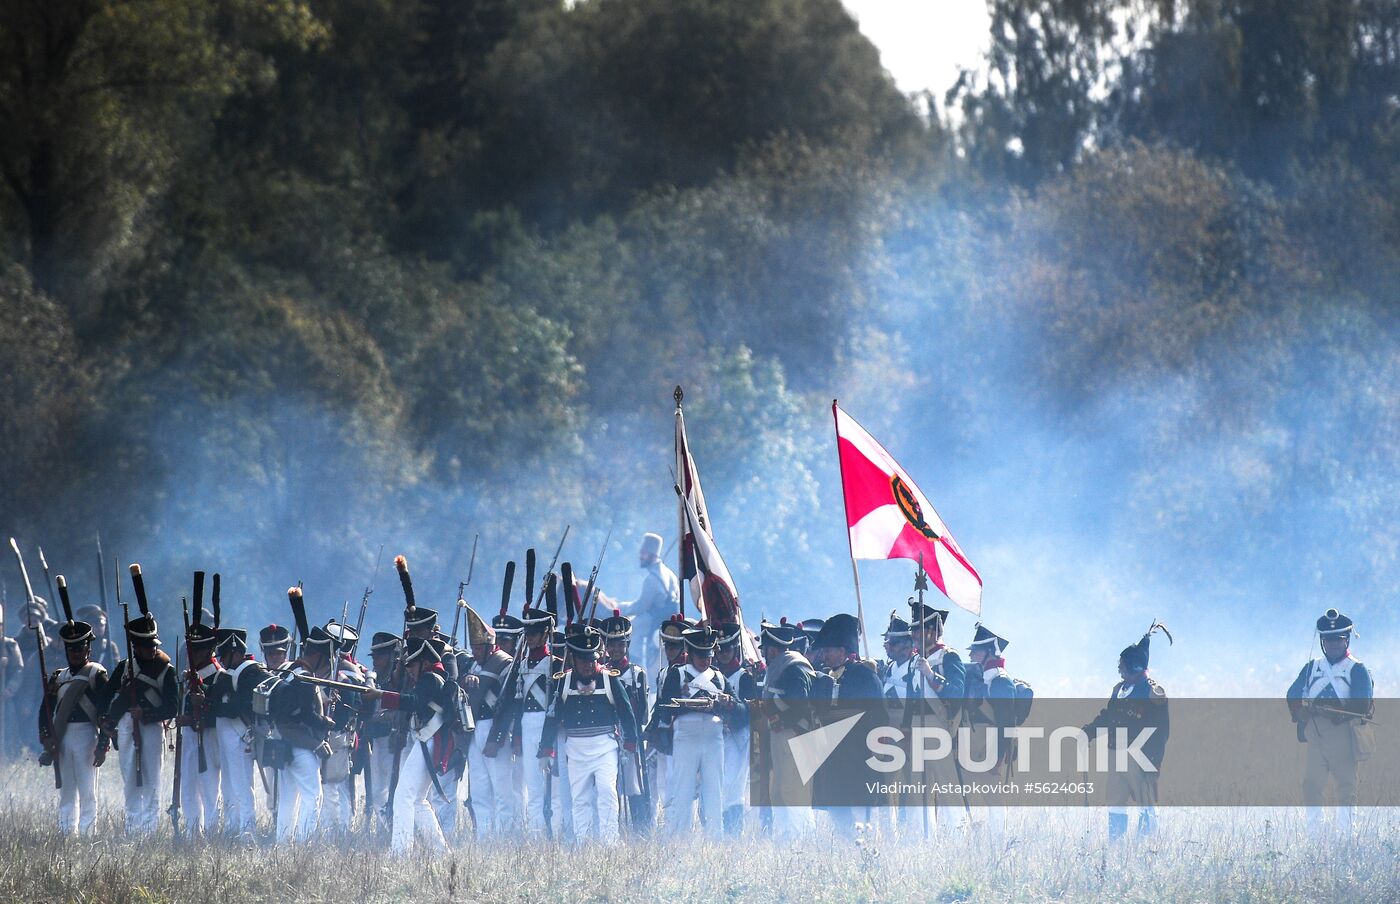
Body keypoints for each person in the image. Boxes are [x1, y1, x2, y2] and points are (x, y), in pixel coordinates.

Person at [539, 627, 638, 845]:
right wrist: (545, 749)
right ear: (573, 659)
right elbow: (552, 717)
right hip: (575, 749)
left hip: (605, 748)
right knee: (580, 798)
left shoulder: (610, 680)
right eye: (583, 660)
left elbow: (626, 712)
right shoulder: (563, 682)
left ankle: (610, 842)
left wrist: (631, 742)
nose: (587, 664)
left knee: (607, 793)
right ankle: (583, 843)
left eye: (591, 659)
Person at [362, 636, 456, 854]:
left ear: (423, 662)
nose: (410, 670)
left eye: (412, 665)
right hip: (429, 740)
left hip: (430, 739)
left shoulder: (430, 678)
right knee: (417, 800)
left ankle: (400, 852)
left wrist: (381, 695)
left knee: (404, 796)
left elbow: (413, 702)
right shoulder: (433, 678)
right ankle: (441, 851)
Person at [1287, 608, 1373, 836]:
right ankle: (1314, 834)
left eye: (1338, 639)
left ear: (1346, 640)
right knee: (1311, 785)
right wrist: (1301, 712)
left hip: (1344, 734)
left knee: (1346, 787)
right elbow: (1292, 694)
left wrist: (1336, 711)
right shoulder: (1312, 667)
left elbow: (1362, 704)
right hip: (1316, 734)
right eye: (1329, 640)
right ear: (1323, 642)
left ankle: (1346, 837)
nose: (1334, 644)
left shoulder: (1357, 669)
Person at [1085, 623, 1171, 841]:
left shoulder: (1153, 694)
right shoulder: (1119, 690)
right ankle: (1116, 845)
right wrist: (1089, 731)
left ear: (1133, 667)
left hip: (1141, 758)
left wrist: (1152, 761)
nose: (1119, 669)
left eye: (1122, 666)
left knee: (1146, 805)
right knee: (1115, 802)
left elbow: (1161, 733)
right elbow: (1108, 717)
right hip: (1115, 755)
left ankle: (1147, 846)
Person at [655, 626, 741, 838]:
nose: (705, 660)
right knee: (682, 790)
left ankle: (715, 838)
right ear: (691, 653)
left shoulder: (719, 678)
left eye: (708, 655)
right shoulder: (677, 674)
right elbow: (664, 709)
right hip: (686, 736)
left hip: (713, 739)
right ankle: (679, 838)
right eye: (701, 656)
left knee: (714, 791)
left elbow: (740, 709)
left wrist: (728, 704)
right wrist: (689, 704)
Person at [486, 606, 560, 837]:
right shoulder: (520, 664)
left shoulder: (555, 663)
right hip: (527, 726)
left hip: (549, 726)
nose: (529, 639)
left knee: (555, 789)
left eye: (533, 634)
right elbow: (515, 705)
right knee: (535, 787)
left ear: (545, 635)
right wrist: (516, 735)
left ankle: (557, 833)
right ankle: (538, 836)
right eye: (526, 634)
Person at [103, 609, 176, 835]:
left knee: (152, 778)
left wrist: (146, 714)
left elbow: (171, 707)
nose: (152, 649)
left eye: (153, 645)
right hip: (126, 725)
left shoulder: (166, 670)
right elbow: (107, 694)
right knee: (130, 779)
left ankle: (150, 829)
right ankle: (133, 827)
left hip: (152, 727)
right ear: (135, 646)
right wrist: (108, 720)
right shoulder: (125, 667)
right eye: (146, 646)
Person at [810, 613, 881, 834]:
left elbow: (877, 717)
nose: (824, 655)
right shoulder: (824, 679)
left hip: (859, 755)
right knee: (837, 810)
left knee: (862, 813)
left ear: (842, 651)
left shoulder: (865, 677)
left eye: (828, 650)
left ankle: (867, 853)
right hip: (833, 756)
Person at [41, 615, 111, 837]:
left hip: (86, 734)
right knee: (67, 791)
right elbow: (45, 711)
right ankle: (66, 832)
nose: (76, 654)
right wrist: (47, 737)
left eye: (79, 649)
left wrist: (102, 744)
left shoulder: (96, 674)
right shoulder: (58, 677)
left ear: (87, 650)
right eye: (72, 650)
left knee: (88, 789)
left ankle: (88, 832)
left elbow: (104, 712)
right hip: (62, 737)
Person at [271, 625, 336, 844]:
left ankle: (283, 843)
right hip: (302, 745)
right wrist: (325, 721)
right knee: (313, 797)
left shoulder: (290, 670)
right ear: (317, 656)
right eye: (326, 661)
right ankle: (304, 844)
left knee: (288, 799)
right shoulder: (306, 677)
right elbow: (307, 715)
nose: (328, 665)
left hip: (284, 743)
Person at [757, 618, 815, 839]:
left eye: (766, 649)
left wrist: (780, 717)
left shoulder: (794, 666)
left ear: (772, 649)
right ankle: (786, 840)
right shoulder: (780, 666)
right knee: (780, 790)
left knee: (794, 790)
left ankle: (801, 840)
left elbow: (800, 701)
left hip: (794, 734)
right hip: (781, 735)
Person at [209, 627, 267, 841]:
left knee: (242, 786)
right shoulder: (232, 673)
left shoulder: (251, 672)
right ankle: (233, 827)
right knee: (230, 785)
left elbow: (235, 708)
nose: (222, 662)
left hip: (241, 736)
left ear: (233, 652)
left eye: (224, 656)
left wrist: (213, 706)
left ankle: (247, 830)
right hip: (230, 738)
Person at [963, 624, 1017, 836]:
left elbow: (1006, 724)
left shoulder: (1001, 681)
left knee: (992, 797)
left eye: (975, 650)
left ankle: (998, 840)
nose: (971, 654)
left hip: (992, 745)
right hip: (975, 742)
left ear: (988, 653)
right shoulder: (981, 678)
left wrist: (998, 757)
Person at [602, 609, 651, 831]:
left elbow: (642, 713)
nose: (615, 649)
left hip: (630, 734)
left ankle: (641, 829)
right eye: (611, 644)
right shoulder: (600, 673)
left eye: (620, 644)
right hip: (606, 732)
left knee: (634, 784)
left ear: (627, 646)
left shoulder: (636, 673)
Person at [176, 619, 224, 838]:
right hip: (189, 736)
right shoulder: (189, 675)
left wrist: (197, 714)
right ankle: (192, 831)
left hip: (209, 735)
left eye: (199, 650)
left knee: (209, 787)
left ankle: (212, 831)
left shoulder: (217, 675)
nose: (193, 654)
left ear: (209, 650)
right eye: (191, 650)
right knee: (188, 786)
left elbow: (219, 710)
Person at [714, 622, 759, 835]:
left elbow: (751, 711)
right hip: (714, 738)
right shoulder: (712, 676)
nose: (723, 654)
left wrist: (731, 714)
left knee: (733, 790)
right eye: (719, 649)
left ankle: (733, 835)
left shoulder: (745, 677)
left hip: (737, 738)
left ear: (735, 649)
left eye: (727, 649)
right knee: (714, 787)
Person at [619, 533, 680, 670]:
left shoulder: (651, 579)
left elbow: (642, 606)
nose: (641, 556)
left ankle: (636, 668)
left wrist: (623, 608)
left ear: (651, 554)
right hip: (668, 618)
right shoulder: (670, 573)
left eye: (643, 553)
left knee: (633, 628)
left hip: (656, 620)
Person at [75, 605, 120, 670]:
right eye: (95, 623)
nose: (99, 627)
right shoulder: (82, 644)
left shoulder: (109, 645)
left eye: (101, 624)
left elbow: (116, 667)